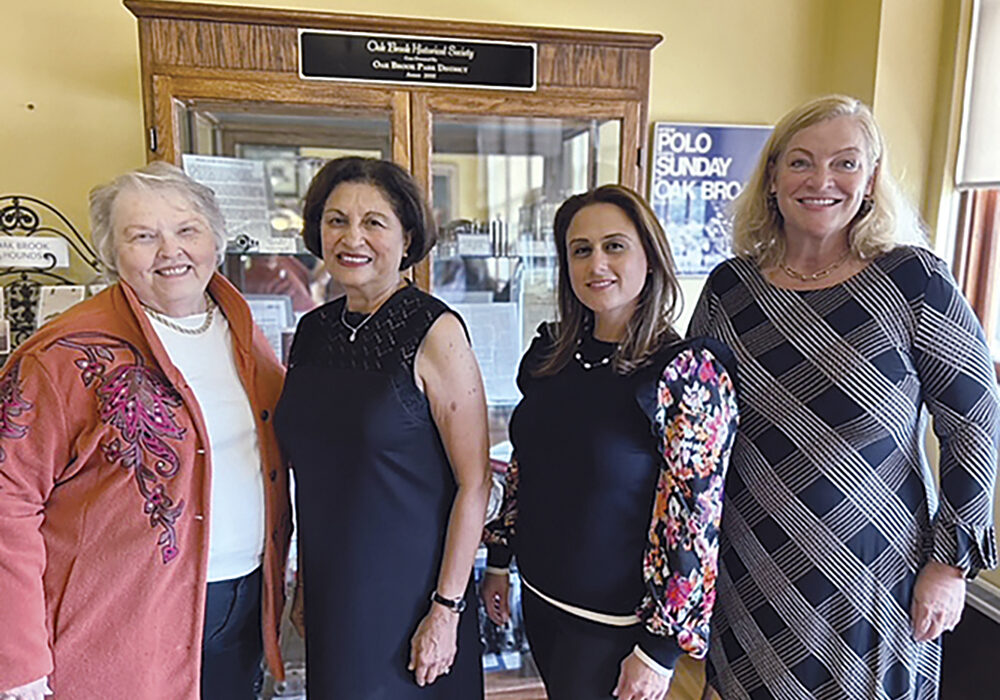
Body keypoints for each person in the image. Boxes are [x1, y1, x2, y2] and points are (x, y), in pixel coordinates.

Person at [689, 94, 1000, 699]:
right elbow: (694, 427)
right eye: (801, 162)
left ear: (872, 177)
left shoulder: (914, 281)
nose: (822, 180)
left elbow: (974, 425)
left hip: (874, 577)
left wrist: (950, 562)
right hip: (751, 561)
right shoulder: (731, 289)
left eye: (846, 163)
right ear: (773, 176)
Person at [0, 162, 292, 700]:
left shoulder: (242, 330)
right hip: (116, 626)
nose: (170, 251)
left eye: (187, 230)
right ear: (111, 253)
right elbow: (7, 502)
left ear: (216, 239)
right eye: (143, 236)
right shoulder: (60, 356)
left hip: (243, 604)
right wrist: (18, 662)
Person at [481, 184, 740, 700]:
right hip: (541, 596)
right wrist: (498, 559)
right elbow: (526, 469)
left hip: (617, 625)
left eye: (614, 246)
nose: (596, 263)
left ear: (650, 257)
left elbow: (693, 519)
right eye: (581, 250)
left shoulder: (686, 372)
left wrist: (660, 649)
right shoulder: (549, 356)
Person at [274, 157, 491, 699]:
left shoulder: (435, 331)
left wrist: (446, 610)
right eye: (337, 220)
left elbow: (475, 483)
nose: (353, 237)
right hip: (331, 590)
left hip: (413, 597)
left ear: (407, 235)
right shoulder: (313, 331)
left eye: (374, 222)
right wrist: (303, 579)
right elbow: (314, 474)